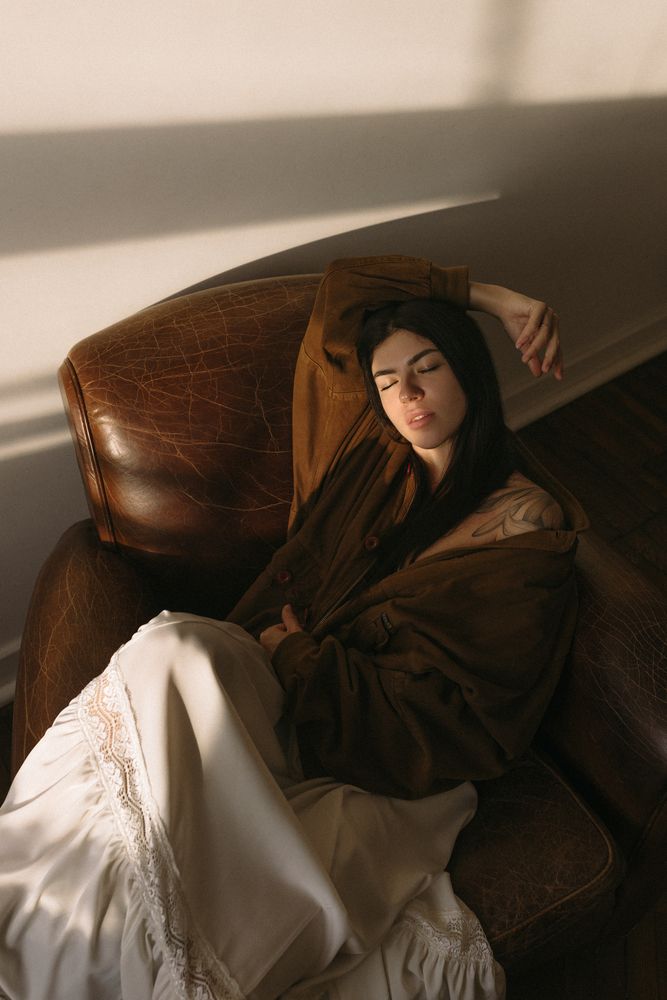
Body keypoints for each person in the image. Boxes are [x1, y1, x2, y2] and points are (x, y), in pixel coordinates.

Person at [0, 256, 586, 1000]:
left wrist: (300, 656)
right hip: (258, 671)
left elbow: (466, 719)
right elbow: (347, 292)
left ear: (469, 370)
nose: (406, 395)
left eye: (428, 367)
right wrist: (496, 297)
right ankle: (37, 905)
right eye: (386, 381)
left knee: (194, 848)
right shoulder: (365, 449)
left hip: (358, 737)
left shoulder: (524, 527)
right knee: (175, 648)